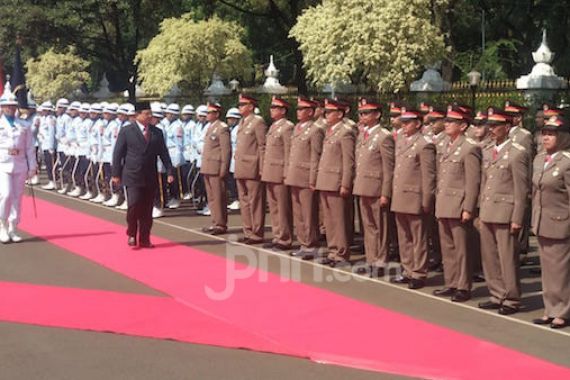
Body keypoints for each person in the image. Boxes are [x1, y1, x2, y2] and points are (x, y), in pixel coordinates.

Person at [478, 108, 529, 315]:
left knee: (507, 258)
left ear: (507, 128)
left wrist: (517, 218)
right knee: (489, 257)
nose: (491, 129)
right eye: (490, 125)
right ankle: (496, 294)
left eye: (496, 126)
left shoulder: (517, 153)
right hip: (489, 210)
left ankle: (512, 298)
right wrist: (480, 211)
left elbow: (521, 189)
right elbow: (484, 183)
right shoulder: (488, 150)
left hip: (506, 212)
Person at [432, 107, 481, 302]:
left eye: (452, 121)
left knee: (461, 249)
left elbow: (472, 181)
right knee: (448, 247)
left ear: (463, 125)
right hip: (444, 201)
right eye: (446, 120)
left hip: (458, 204)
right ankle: (451, 282)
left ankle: (463, 286)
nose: (446, 124)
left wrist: (468, 207)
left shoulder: (470, 147)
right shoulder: (445, 144)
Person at [112, 101, 173, 248]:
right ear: (137, 115)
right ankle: (132, 233)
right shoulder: (127, 131)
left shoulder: (156, 132)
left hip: (150, 174)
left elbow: (163, 153)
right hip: (132, 174)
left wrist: (169, 170)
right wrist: (116, 174)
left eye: (150, 113)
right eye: (146, 113)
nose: (149, 116)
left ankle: (145, 238)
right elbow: (118, 153)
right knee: (134, 205)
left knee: (147, 208)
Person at [390, 108, 436, 289]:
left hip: (415, 197)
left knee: (418, 238)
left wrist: (426, 200)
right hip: (400, 195)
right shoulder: (401, 140)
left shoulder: (425, 144)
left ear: (418, 123)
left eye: (408, 122)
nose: (404, 125)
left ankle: (419, 272)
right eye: (402, 122)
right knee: (404, 237)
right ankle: (407, 269)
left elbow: (428, 175)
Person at [531, 115, 570, 329]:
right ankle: (550, 308)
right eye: (544, 133)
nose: (546, 137)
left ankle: (562, 311)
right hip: (542, 220)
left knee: (560, 270)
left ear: (563, 137)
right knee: (547, 270)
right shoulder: (539, 159)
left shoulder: (566, 162)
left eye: (551, 134)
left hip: (560, 222)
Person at [352, 98, 394, 277]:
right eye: (361, 113)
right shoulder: (362, 134)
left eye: (366, 113)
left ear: (377, 115)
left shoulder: (384, 136)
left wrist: (386, 192)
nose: (362, 116)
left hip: (376, 188)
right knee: (368, 226)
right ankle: (370, 258)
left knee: (379, 226)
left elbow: (388, 167)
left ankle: (380, 260)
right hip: (363, 185)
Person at [315, 98, 356, 267]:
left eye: (329, 112)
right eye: (325, 112)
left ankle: (341, 253)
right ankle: (332, 250)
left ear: (339, 114)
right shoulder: (330, 131)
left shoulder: (345, 132)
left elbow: (348, 161)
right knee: (329, 220)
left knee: (338, 220)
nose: (326, 115)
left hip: (336, 181)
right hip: (326, 180)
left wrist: (345, 183)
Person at [285, 97, 325, 259]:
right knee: (299, 213)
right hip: (295, 175)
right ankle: (303, 242)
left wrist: (313, 178)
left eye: (302, 109)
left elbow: (316, 156)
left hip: (306, 176)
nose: (298, 112)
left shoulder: (315, 130)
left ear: (310, 112)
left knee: (309, 213)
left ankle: (311, 245)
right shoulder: (297, 128)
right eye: (298, 109)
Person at [0, 90, 37, 243]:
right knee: (6, 194)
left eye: (13, 105)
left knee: (17, 197)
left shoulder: (24, 125)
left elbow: (29, 146)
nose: (10, 108)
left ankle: (13, 227)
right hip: (3, 162)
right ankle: (2, 225)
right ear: (2, 107)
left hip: (20, 163)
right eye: (7, 106)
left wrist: (32, 166)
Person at [261, 96, 294, 250]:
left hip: (280, 171)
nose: (271, 110)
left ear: (283, 110)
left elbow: (288, 152)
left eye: (275, 108)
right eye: (271, 107)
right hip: (270, 171)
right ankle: (277, 235)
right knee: (273, 207)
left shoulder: (287, 127)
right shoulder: (273, 126)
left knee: (282, 207)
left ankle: (285, 238)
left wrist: (287, 172)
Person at [234, 94, 267, 244]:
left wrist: (262, 168)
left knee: (255, 201)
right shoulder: (242, 122)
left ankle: (257, 232)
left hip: (253, 167)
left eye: (243, 104)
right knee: (244, 201)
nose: (240, 107)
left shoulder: (257, 122)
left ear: (251, 106)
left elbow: (262, 146)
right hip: (241, 167)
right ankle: (248, 231)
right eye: (239, 104)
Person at [200, 103, 231, 235]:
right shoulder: (209, 127)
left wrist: (224, 169)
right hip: (208, 167)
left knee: (218, 197)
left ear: (217, 114)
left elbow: (226, 150)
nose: (207, 115)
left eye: (210, 112)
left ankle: (220, 224)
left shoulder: (222, 128)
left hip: (216, 167)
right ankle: (215, 221)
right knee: (211, 197)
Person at [226, 107, 241, 210]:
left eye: (230, 118)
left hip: (236, 158)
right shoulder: (231, 129)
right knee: (231, 180)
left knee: (235, 181)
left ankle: (238, 199)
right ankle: (235, 198)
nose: (228, 121)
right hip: (232, 159)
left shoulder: (238, 129)